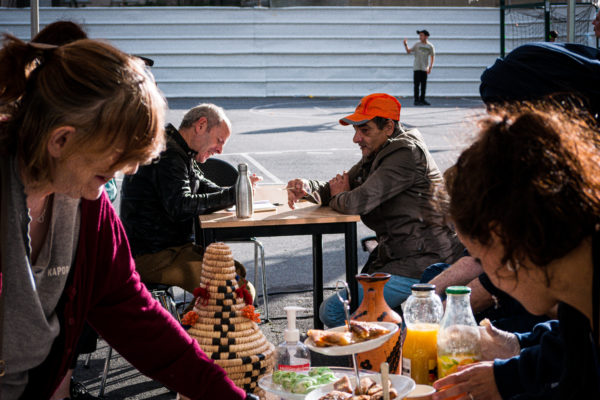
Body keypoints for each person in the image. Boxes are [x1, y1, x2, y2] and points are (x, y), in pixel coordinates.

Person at [0, 35, 254, 399]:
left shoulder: (88, 203)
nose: (132, 168)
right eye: (121, 153)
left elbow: (136, 315)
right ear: (61, 141)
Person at [432, 102, 600, 400]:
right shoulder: (577, 308)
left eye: (482, 259)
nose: (490, 280)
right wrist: (511, 365)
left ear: (504, 237)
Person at [287, 93, 463, 328]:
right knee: (339, 310)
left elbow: (356, 201)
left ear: (388, 127)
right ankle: (395, 333)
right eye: (355, 129)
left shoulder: (405, 153)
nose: (356, 138)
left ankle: (401, 341)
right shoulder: (381, 150)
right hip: (401, 256)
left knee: (332, 311)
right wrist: (307, 188)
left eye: (364, 130)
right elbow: (341, 185)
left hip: (424, 263)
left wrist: (339, 195)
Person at [120, 104, 260, 298]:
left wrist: (238, 191)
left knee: (236, 273)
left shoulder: (178, 148)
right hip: (154, 256)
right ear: (201, 125)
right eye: (219, 140)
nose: (220, 150)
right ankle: (189, 326)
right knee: (239, 292)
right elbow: (181, 205)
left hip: (168, 250)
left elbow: (203, 186)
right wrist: (233, 195)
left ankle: (193, 323)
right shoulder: (167, 153)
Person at [403, 30, 435, 106]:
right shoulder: (417, 44)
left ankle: (422, 99)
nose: (420, 37)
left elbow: (432, 56)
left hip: (424, 68)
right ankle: (416, 100)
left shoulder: (430, 46)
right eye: (419, 35)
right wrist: (405, 45)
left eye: (422, 35)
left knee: (424, 85)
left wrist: (430, 67)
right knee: (416, 85)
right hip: (417, 67)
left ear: (426, 37)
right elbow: (408, 51)